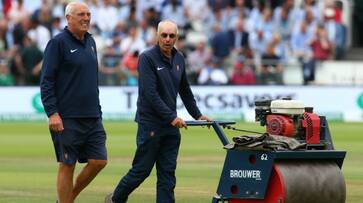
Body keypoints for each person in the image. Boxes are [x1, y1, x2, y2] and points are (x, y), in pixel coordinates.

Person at [105, 20, 211, 203]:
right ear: (157, 36)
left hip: (170, 126)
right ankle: (116, 199)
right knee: (141, 170)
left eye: (172, 36)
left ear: (177, 37)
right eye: (164, 35)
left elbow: (185, 90)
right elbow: (150, 94)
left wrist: (198, 115)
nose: (168, 39)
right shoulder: (147, 58)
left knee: (167, 174)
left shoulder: (179, 58)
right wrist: (172, 117)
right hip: (151, 124)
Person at [40, 2, 107, 203]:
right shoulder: (57, 43)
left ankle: (66, 199)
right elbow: (46, 81)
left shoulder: (91, 42)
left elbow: (92, 81)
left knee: (99, 161)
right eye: (81, 14)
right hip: (67, 117)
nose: (86, 18)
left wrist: (98, 110)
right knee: (67, 164)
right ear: (68, 18)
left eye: (88, 14)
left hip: (92, 115)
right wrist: (52, 113)